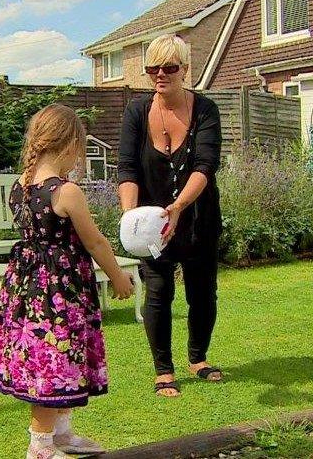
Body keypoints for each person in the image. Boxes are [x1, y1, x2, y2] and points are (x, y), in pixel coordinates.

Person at [0, 104, 135, 459]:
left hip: (27, 287)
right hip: (57, 292)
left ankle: (62, 434)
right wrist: (118, 277)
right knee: (51, 359)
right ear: (70, 145)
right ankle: (40, 447)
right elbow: (94, 241)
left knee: (58, 357)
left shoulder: (19, 186)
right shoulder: (65, 192)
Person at [117, 33, 223, 397]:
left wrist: (178, 208)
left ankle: (198, 358)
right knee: (158, 294)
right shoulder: (135, 112)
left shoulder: (206, 110)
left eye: (169, 67)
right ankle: (164, 370)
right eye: (152, 68)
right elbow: (128, 169)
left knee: (203, 294)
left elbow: (206, 165)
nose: (160, 74)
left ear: (185, 69)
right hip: (151, 226)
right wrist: (130, 216)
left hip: (196, 218)